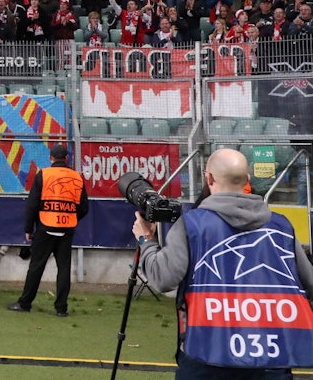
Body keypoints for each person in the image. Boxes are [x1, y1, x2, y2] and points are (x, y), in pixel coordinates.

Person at [133, 148, 313, 378]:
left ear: (209, 179)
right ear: (247, 179)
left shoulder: (191, 224)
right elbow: (309, 284)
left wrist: (146, 240)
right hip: (270, 354)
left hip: (206, 354)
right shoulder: (282, 226)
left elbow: (163, 279)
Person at [8, 143, 88, 317]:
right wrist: (71, 218)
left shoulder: (43, 175)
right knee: (64, 268)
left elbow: (32, 205)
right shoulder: (77, 177)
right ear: (67, 159)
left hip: (45, 227)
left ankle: (25, 303)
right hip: (67, 228)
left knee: (36, 266)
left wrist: (29, 228)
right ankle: (61, 309)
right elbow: (84, 207)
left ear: (51, 158)